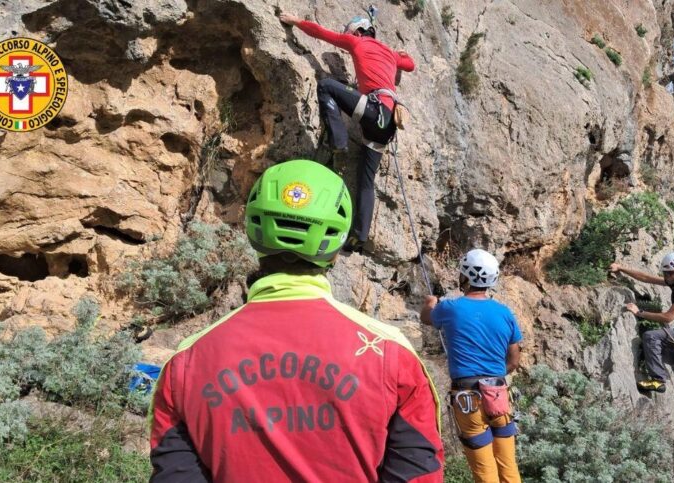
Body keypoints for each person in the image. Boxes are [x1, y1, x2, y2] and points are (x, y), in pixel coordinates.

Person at [149, 159, 444, 481]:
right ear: (336, 246)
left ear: (252, 234)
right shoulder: (392, 352)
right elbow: (419, 473)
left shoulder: (187, 361)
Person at [279, 10, 415, 253]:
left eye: (349, 33)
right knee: (366, 181)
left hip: (373, 109)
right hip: (388, 124)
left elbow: (321, 33)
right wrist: (403, 57)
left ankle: (339, 141)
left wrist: (295, 21)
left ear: (359, 31)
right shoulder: (390, 54)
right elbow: (410, 65)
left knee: (327, 87)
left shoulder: (357, 41)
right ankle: (359, 237)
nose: (346, 37)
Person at [420, 249, 522, 483]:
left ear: (465, 277)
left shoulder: (450, 307)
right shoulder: (505, 313)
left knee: (485, 471)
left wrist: (430, 303)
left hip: (468, 399)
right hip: (499, 396)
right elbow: (514, 360)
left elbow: (427, 318)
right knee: (508, 466)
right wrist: (493, 377)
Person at [611, 250, 674, 439]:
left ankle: (658, 380)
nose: (665, 276)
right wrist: (621, 268)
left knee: (652, 337)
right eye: (665, 273)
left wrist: (639, 312)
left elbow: (668, 317)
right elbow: (647, 278)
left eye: (668, 273)